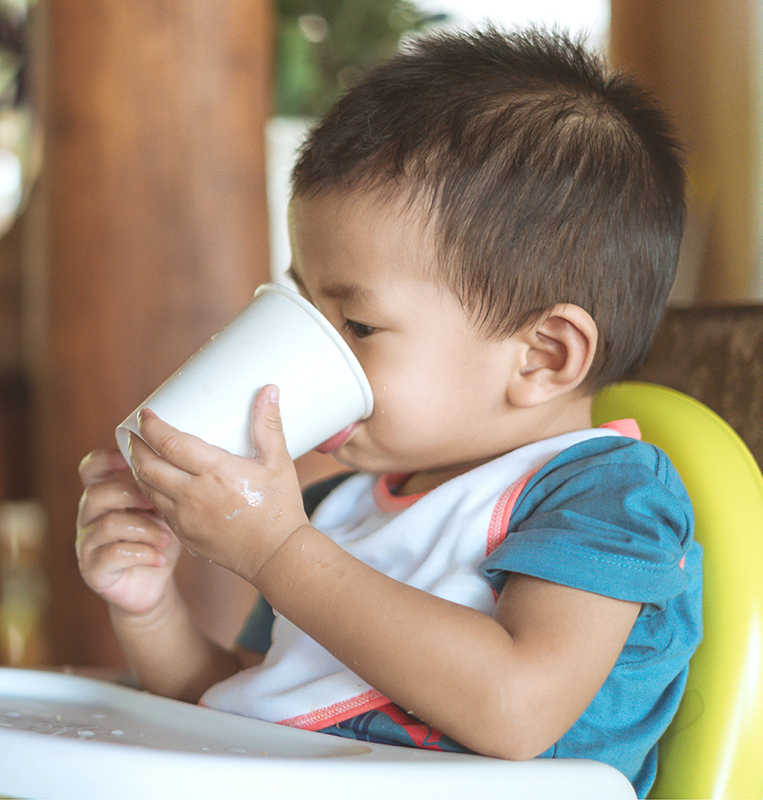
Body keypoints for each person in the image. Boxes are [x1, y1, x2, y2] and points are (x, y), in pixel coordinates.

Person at [76, 26, 702, 797]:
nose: (314, 347)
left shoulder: (603, 497)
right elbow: (247, 706)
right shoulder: (333, 508)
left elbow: (517, 707)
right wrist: (148, 611)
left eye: (359, 326)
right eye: (303, 302)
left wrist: (277, 552)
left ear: (542, 356)